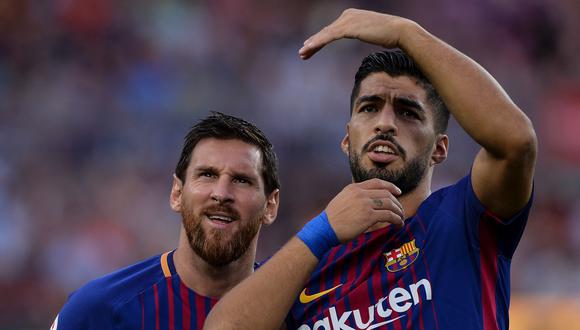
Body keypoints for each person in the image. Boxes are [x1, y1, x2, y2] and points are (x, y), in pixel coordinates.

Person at [204, 8, 536, 330]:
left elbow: (516, 143)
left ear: (439, 149)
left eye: (408, 113)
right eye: (369, 108)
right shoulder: (307, 267)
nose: (385, 124)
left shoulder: (463, 219)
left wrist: (406, 33)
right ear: (347, 139)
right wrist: (322, 230)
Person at [51, 112, 280, 329]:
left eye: (241, 180)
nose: (221, 193)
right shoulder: (99, 312)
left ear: (270, 206)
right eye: (207, 175)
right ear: (177, 194)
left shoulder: (300, 314)